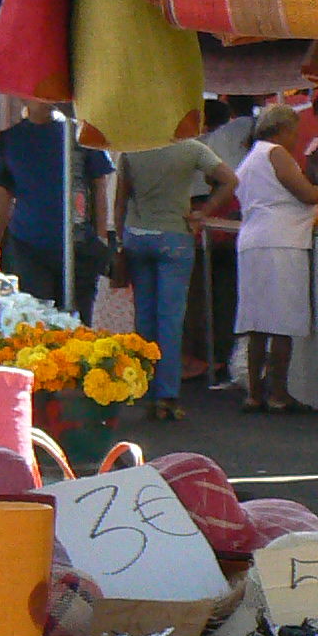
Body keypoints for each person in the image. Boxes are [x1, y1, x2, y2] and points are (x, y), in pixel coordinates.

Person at [114, 131, 234, 423]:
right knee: (170, 319)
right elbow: (230, 180)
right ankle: (167, 396)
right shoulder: (192, 148)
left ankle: (142, 388)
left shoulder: (132, 148)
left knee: (144, 316)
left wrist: (120, 238)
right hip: (175, 235)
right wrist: (203, 211)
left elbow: (121, 200)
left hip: (137, 235)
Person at [233, 105, 318, 414]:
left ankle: (255, 394)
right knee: (281, 321)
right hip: (280, 242)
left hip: (253, 241)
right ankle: (279, 394)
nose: (296, 137)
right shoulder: (276, 153)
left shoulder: (251, 156)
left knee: (256, 323)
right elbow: (305, 194)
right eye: (294, 131)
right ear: (282, 130)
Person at [0, 105, 112, 314]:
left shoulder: (81, 133)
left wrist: (101, 237)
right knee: (38, 318)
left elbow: (99, 185)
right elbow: (2, 195)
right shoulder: (11, 139)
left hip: (78, 245)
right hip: (29, 247)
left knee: (78, 323)